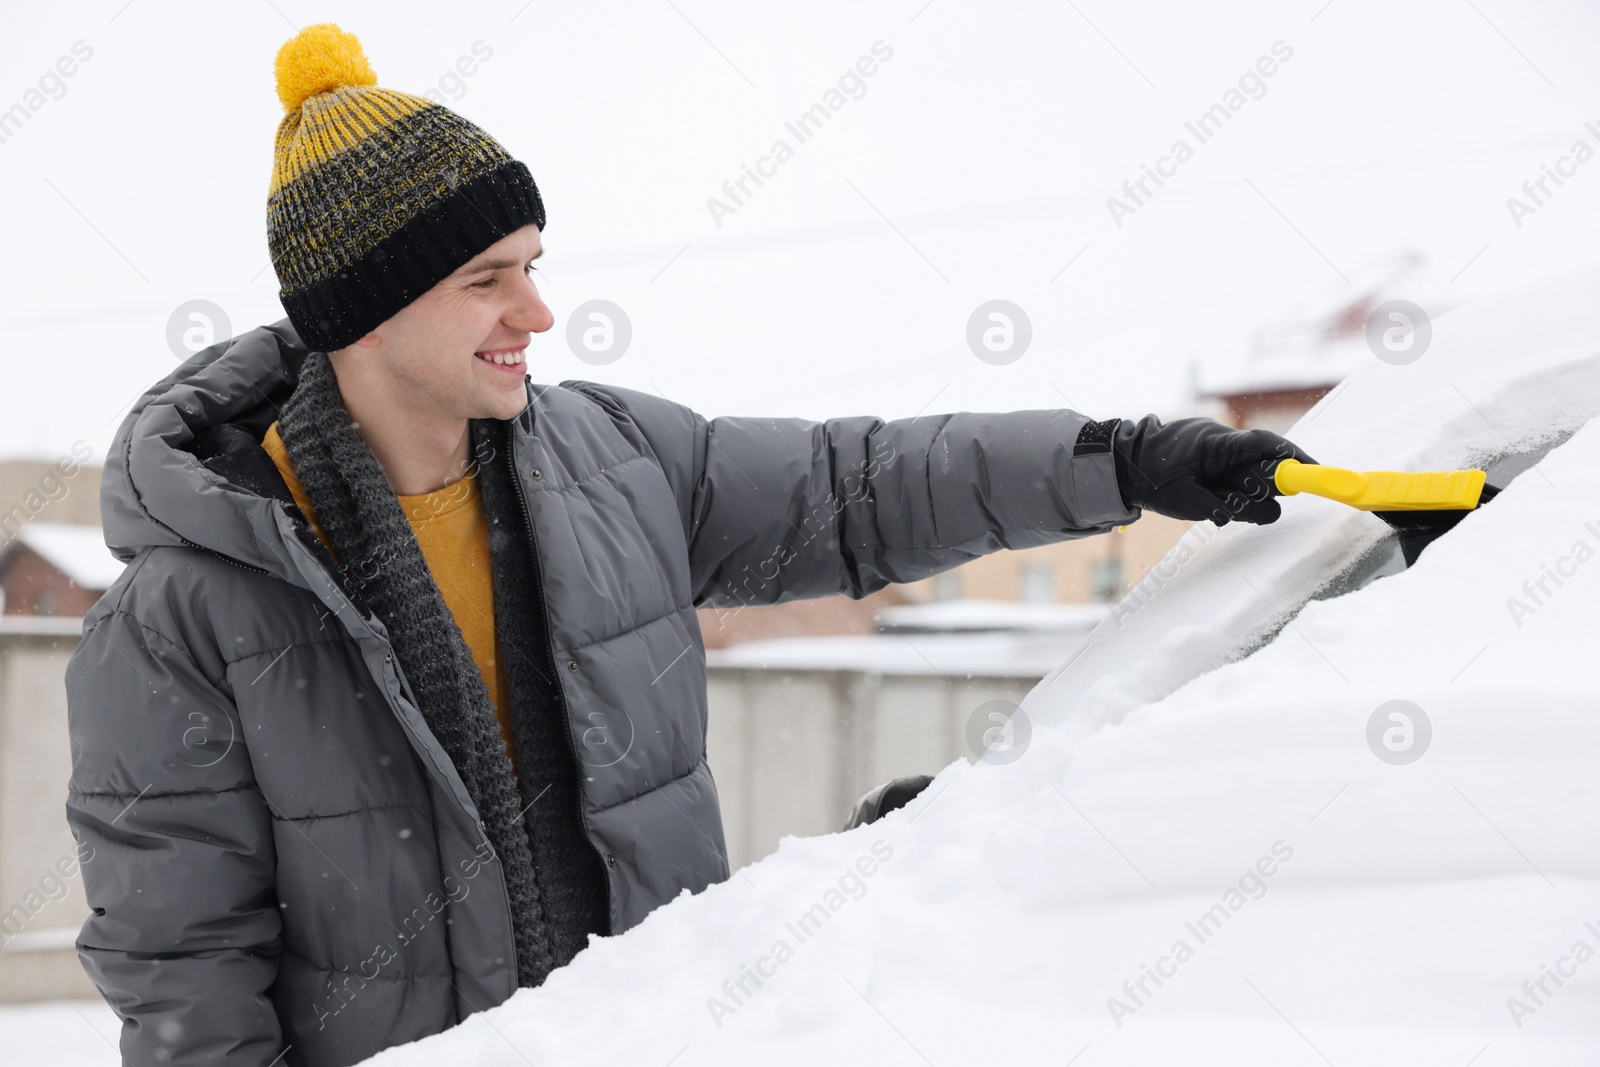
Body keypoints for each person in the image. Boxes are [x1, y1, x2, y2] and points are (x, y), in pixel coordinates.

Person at [63, 23, 1315, 1067]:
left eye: (535, 266)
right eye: (487, 279)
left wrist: (1125, 459)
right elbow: (182, 974)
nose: (537, 312)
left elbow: (862, 484)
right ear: (367, 307)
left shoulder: (614, 463)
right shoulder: (187, 611)